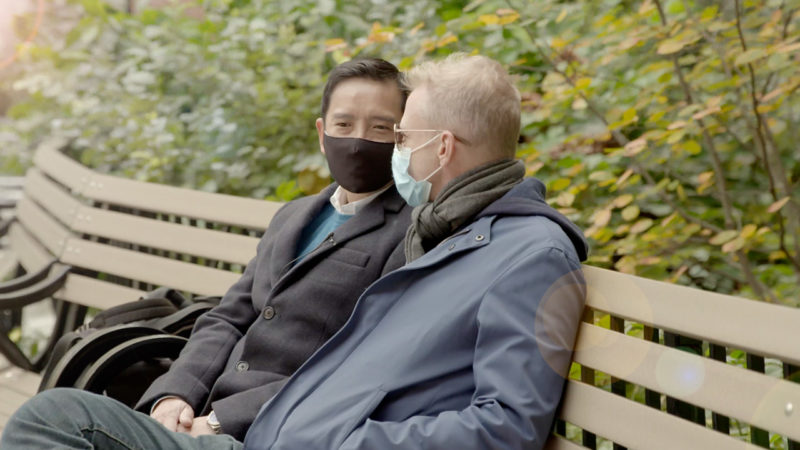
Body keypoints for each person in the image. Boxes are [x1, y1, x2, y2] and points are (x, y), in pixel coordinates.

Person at [1, 53, 587, 450]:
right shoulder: (450, 233)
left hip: (285, 439)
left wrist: (333, 438)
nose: (389, 150)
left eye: (398, 135)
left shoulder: (525, 254)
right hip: (274, 433)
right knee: (57, 415)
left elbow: (508, 424)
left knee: (55, 419)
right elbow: (244, 319)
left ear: (442, 145)